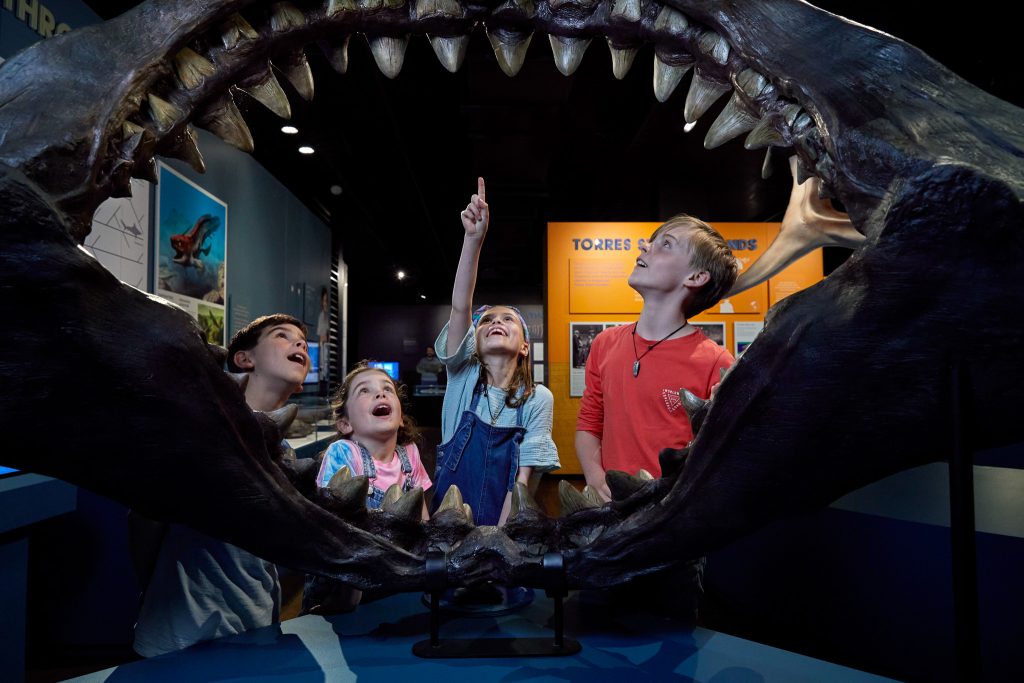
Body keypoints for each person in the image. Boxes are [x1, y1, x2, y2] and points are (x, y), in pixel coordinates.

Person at [575, 214, 740, 623]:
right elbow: (588, 425)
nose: (645, 248)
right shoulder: (605, 344)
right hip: (607, 522)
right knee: (595, 635)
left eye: (666, 244)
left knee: (672, 636)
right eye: (650, 242)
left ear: (696, 277)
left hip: (674, 533)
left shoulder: (717, 363)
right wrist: (597, 480)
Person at [130, 314, 311, 657]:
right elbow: (144, 520)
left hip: (255, 631)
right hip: (180, 639)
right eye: (282, 336)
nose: (299, 343)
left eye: (301, 340)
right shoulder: (199, 428)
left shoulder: (283, 453)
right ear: (244, 358)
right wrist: (154, 594)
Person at [431, 177, 559, 528]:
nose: (495, 322)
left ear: (524, 347)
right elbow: (460, 308)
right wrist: (473, 240)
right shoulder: (463, 377)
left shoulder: (537, 399)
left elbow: (524, 479)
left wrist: (500, 538)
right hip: (448, 518)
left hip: (507, 519)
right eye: (487, 320)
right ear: (475, 339)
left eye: (507, 320)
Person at [303, 362, 433, 614]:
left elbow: (423, 518)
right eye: (364, 390)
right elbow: (333, 526)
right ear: (345, 424)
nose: (380, 393)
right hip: (346, 582)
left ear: (402, 420)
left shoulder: (410, 453)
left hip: (399, 576)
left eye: (388, 389)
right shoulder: (343, 452)